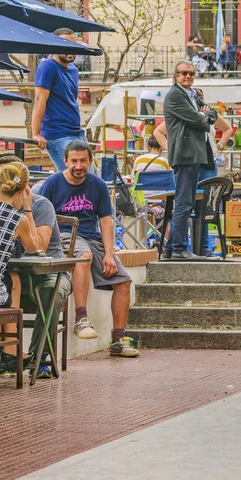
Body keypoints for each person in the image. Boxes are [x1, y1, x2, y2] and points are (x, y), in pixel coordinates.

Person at [39, 140, 139, 357]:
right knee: (83, 257)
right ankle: (81, 320)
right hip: (65, 237)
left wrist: (110, 255)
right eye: (73, 160)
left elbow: (105, 221)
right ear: (64, 161)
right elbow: (41, 218)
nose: (78, 165)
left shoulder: (98, 185)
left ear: (91, 161)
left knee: (123, 281)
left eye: (83, 160)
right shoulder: (52, 184)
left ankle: (118, 340)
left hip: (93, 238)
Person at [0, 155, 72, 379]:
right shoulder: (13, 214)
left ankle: (38, 358)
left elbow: (38, 247)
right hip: (13, 275)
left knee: (50, 292)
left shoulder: (41, 205)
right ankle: (9, 355)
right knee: (12, 281)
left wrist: (28, 208)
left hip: (46, 273)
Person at [163, 61, 218, 260]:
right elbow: (199, 121)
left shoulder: (192, 94)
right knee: (184, 203)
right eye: (184, 73)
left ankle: (170, 249)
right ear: (175, 75)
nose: (188, 76)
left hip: (193, 154)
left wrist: (205, 114)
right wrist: (204, 115)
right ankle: (178, 248)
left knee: (186, 201)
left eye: (191, 73)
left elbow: (212, 113)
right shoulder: (175, 95)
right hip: (185, 155)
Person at [31, 27, 90, 171]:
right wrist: (36, 133)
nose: (70, 49)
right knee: (74, 177)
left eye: (72, 45)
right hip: (57, 134)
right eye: (64, 45)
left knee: (90, 178)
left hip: (77, 131)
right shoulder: (47, 67)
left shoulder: (73, 70)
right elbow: (39, 100)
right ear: (54, 45)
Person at [0, 162, 39, 373]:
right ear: (23, 190)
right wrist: (28, 209)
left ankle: (7, 352)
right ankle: (9, 351)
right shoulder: (18, 218)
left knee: (11, 278)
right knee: (11, 280)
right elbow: (33, 247)